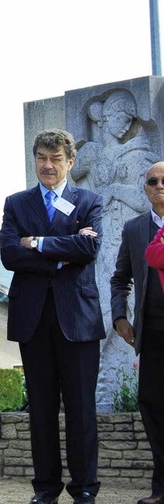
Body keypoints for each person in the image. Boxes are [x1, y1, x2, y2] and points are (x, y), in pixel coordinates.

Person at [0, 129, 105, 504]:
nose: (48, 165)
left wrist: (40, 244)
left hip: (77, 319)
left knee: (81, 409)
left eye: (56, 159)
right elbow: (10, 254)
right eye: (42, 157)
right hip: (34, 319)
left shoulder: (88, 201)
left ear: (70, 163)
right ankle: (45, 489)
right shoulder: (17, 203)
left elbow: (90, 247)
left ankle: (85, 489)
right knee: (41, 410)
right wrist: (64, 252)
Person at [122, 163, 164, 504]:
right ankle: (161, 490)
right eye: (153, 180)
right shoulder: (135, 229)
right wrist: (120, 315)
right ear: (145, 187)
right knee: (152, 406)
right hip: (151, 336)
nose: (160, 185)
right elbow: (120, 277)